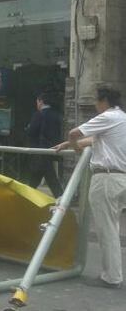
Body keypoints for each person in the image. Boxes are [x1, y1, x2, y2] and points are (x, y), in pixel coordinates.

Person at [55, 87, 126, 288]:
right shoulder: (122, 118)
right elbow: (94, 140)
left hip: (106, 178)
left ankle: (112, 277)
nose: (95, 105)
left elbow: (74, 133)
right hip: (120, 178)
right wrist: (67, 144)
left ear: (103, 101)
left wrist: (74, 146)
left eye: (96, 101)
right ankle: (113, 274)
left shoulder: (107, 117)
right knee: (112, 226)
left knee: (107, 230)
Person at [25, 92, 63, 197]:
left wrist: (28, 128)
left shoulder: (38, 115)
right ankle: (60, 197)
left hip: (39, 150)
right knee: (41, 176)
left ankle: (61, 198)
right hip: (52, 150)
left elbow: (32, 131)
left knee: (47, 177)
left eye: (37, 102)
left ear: (41, 102)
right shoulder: (56, 115)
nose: (36, 104)